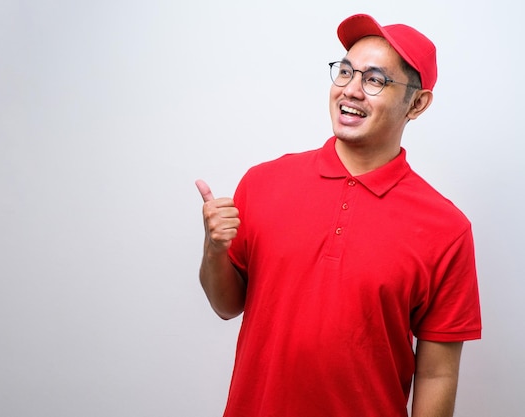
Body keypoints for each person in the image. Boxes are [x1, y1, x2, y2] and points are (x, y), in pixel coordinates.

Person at [195, 13, 482, 417]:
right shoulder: (262, 183)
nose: (351, 90)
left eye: (375, 80)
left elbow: (437, 374)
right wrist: (214, 251)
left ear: (416, 104)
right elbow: (227, 305)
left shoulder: (446, 228)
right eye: (345, 72)